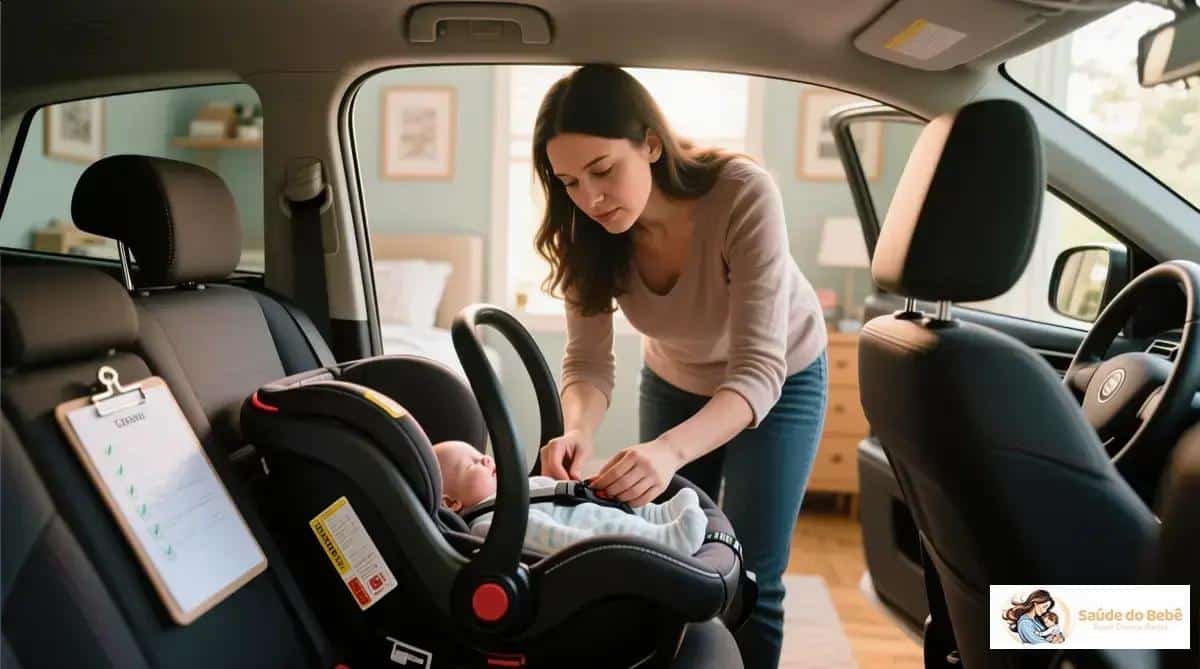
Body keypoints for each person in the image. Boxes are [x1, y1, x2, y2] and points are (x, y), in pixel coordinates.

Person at [530, 64, 829, 669]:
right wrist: (579, 430)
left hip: (780, 380)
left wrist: (666, 451)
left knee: (751, 575)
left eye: (603, 171)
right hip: (675, 379)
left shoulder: (740, 193)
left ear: (651, 143)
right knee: (670, 561)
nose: (589, 198)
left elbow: (755, 373)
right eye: (568, 182)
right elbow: (588, 360)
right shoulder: (583, 230)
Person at [432, 440, 707, 555]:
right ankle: (670, 540)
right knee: (613, 528)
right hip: (585, 534)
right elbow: (552, 538)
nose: (485, 458)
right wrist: (584, 545)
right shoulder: (491, 523)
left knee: (619, 510)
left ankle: (655, 516)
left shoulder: (510, 494)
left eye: (479, 453)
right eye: (472, 464)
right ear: (450, 503)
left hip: (585, 507)